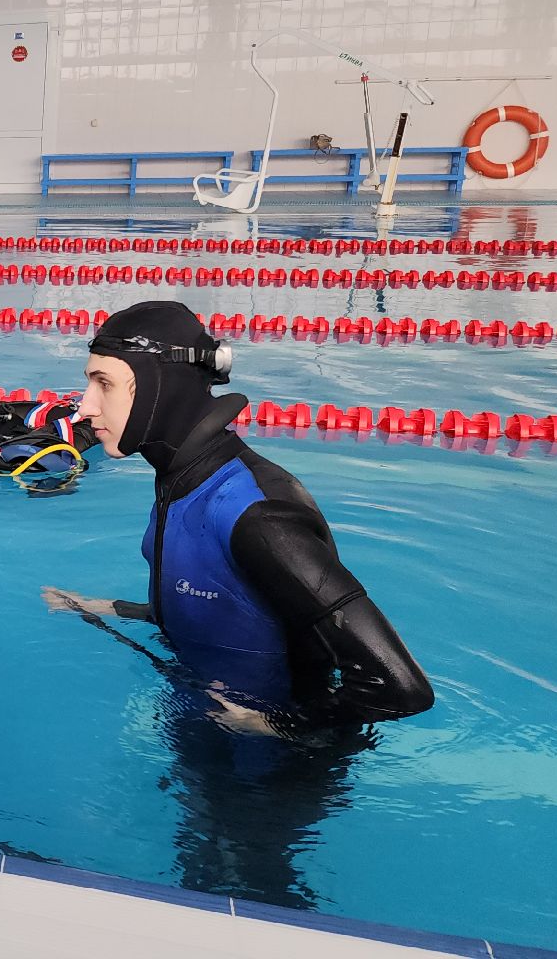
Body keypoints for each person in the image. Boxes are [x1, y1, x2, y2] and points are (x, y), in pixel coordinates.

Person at [43, 300, 433, 735]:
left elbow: (401, 688)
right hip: (208, 726)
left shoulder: (257, 515)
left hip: (276, 763)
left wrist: (270, 725)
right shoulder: (183, 483)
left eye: (104, 384)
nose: (84, 407)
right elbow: (217, 607)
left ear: (161, 389)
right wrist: (101, 607)